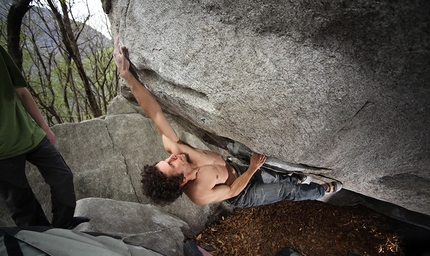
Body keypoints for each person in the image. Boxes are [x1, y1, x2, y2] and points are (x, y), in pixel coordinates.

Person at [113, 37, 342, 207]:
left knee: (282, 177)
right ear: (182, 181)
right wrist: (252, 168)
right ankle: (322, 190)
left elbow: (155, 114)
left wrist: (127, 75)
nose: (171, 156)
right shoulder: (199, 194)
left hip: (237, 167)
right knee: (286, 190)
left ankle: (295, 177)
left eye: (165, 160)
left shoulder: (177, 149)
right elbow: (232, 190)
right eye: (171, 164)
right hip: (242, 192)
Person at [0, 45, 89, 228]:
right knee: (21, 203)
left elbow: (22, 91)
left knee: (62, 176)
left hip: (30, 134)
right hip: (3, 152)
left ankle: (63, 225)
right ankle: (43, 240)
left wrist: (44, 127)